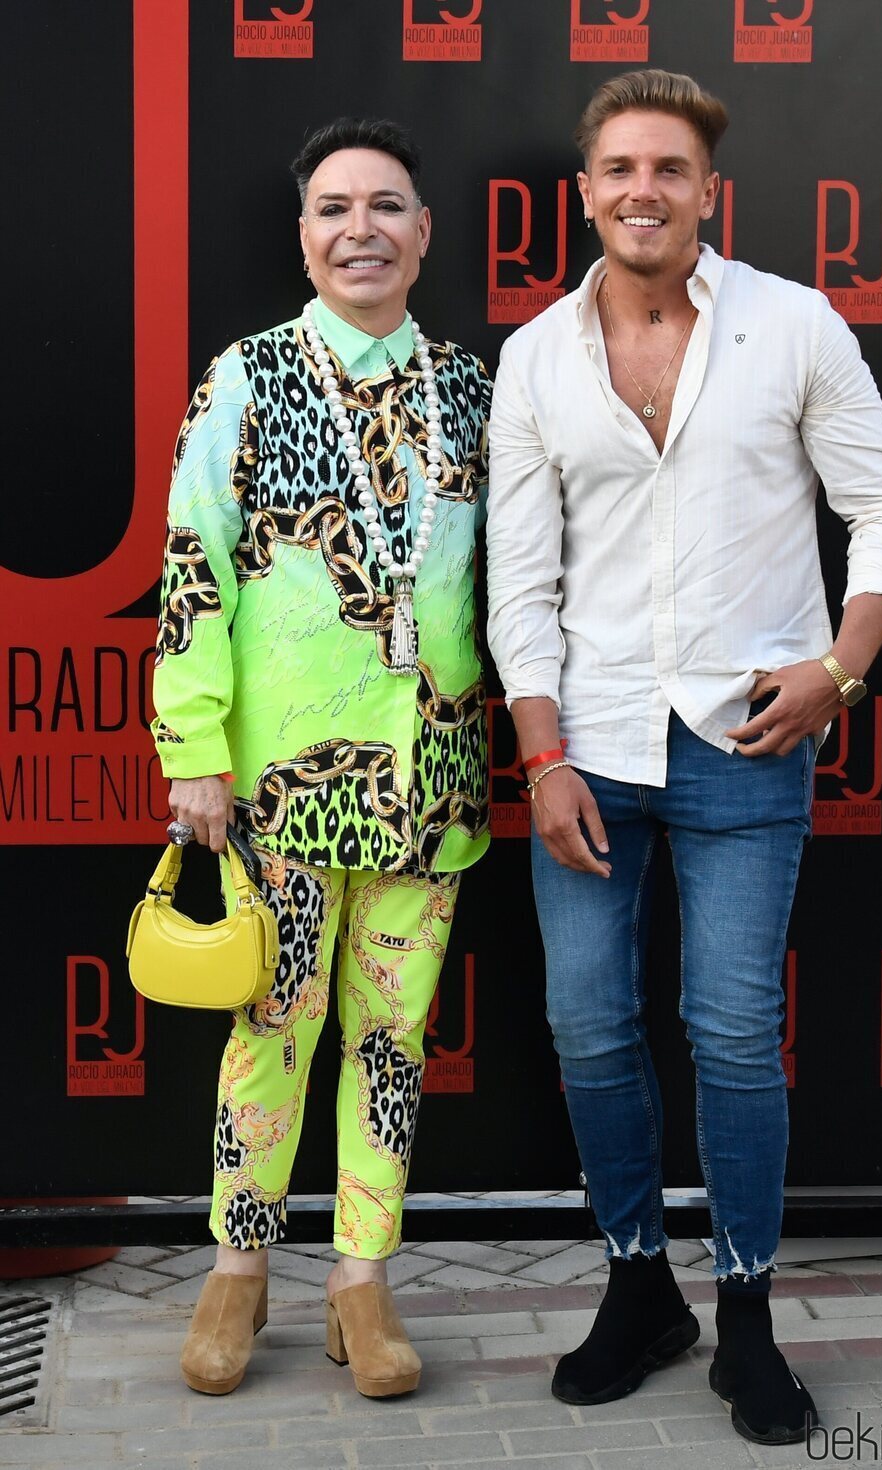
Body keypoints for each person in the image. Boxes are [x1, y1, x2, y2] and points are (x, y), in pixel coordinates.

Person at [486, 69, 882, 1445]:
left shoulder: (793, 324)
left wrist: (840, 669)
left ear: (705, 189)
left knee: (733, 1032)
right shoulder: (536, 356)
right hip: (593, 745)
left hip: (751, 738)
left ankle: (744, 1311)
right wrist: (543, 751)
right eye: (618, 169)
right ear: (586, 190)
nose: (642, 192)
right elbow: (519, 582)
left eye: (667, 169)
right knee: (586, 1024)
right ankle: (638, 1286)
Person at [152, 117, 491, 1400]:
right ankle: (237, 1269)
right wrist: (193, 748)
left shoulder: (472, 389)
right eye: (334, 208)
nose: (361, 228)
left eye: (387, 206)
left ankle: (362, 1279)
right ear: (303, 236)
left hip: (433, 782)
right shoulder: (243, 377)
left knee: (392, 1041)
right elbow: (192, 570)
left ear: (422, 233)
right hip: (280, 788)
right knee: (270, 1030)